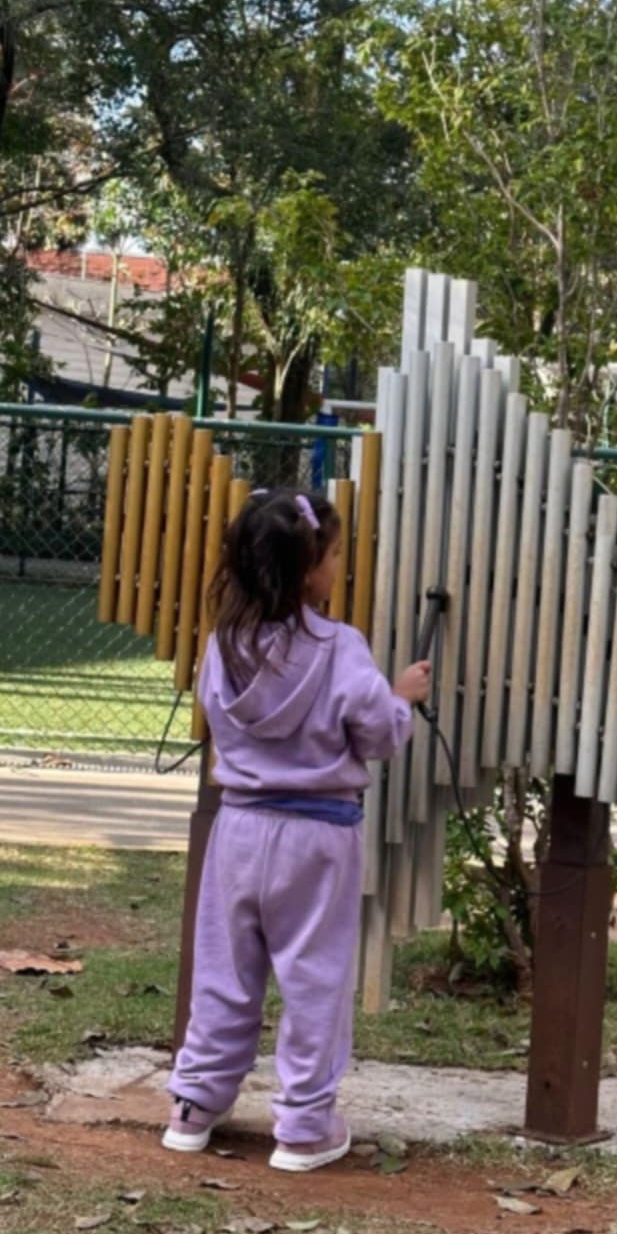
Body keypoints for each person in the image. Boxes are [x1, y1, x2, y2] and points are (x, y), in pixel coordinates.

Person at [164, 486, 430, 1170]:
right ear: (311, 567)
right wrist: (401, 698)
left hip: (240, 830)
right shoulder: (340, 647)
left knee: (225, 972)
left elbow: (217, 716)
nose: (339, 564)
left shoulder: (222, 647)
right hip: (318, 838)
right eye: (335, 553)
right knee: (315, 980)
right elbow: (376, 736)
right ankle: (305, 1129)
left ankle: (194, 1106)